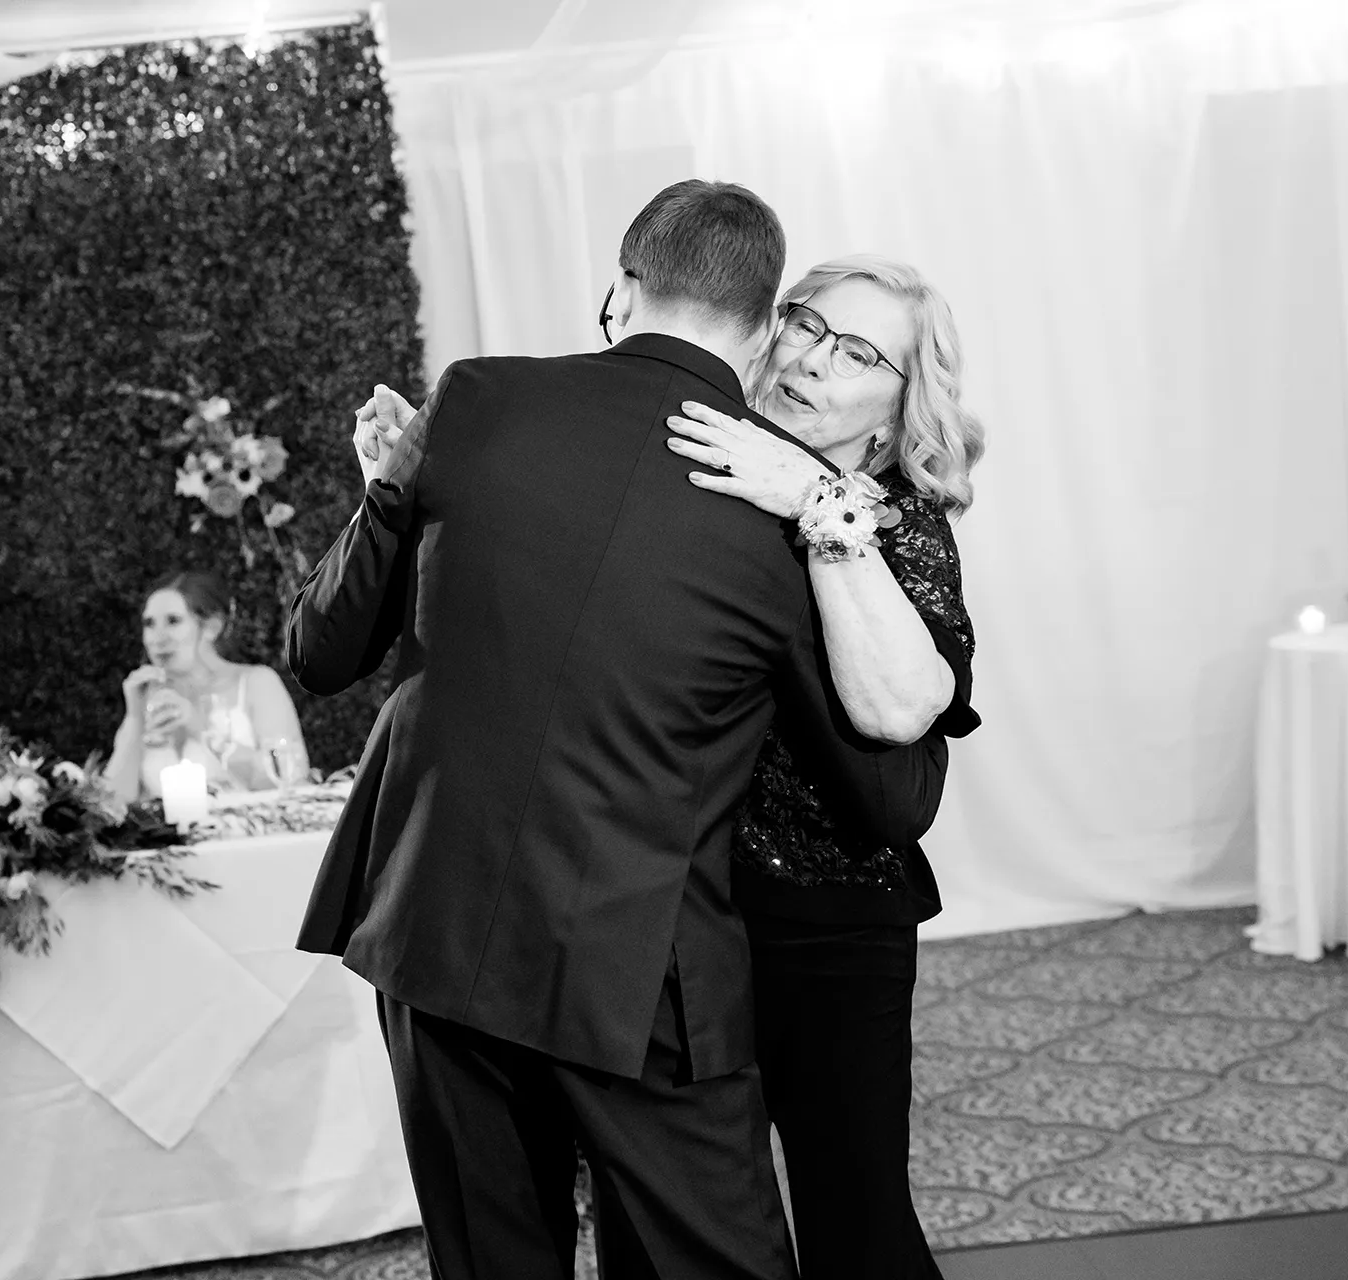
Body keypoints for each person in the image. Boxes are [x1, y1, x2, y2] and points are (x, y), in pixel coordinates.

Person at [284, 181, 949, 1280]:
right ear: (763, 324)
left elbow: (319, 653)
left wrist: (389, 489)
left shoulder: (478, 398)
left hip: (435, 923)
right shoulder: (778, 495)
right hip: (639, 964)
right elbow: (891, 792)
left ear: (621, 287)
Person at [665, 254, 985, 1277]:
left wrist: (810, 494)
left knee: (855, 1220)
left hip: (827, 912)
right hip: (676, 912)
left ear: (894, 415)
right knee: (683, 1216)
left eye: (857, 354)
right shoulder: (692, 463)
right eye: (804, 323)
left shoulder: (899, 520)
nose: (812, 358)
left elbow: (900, 709)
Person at [105, 569, 309, 804]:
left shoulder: (257, 683)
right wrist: (134, 718)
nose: (157, 638)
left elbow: (291, 779)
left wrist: (199, 728)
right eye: (149, 624)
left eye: (173, 621)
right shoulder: (149, 700)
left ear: (212, 627)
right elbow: (111, 804)